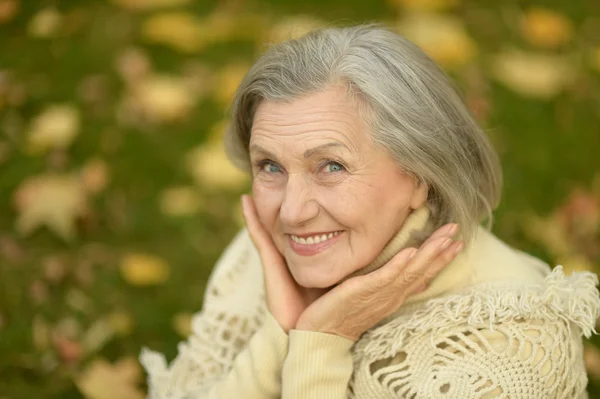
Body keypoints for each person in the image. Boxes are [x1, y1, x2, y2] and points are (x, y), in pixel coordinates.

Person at [140, 25, 600, 398]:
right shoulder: (271, 251)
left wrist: (321, 342)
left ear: (420, 175)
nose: (293, 212)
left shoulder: (509, 348)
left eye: (331, 166)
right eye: (270, 166)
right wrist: (280, 332)